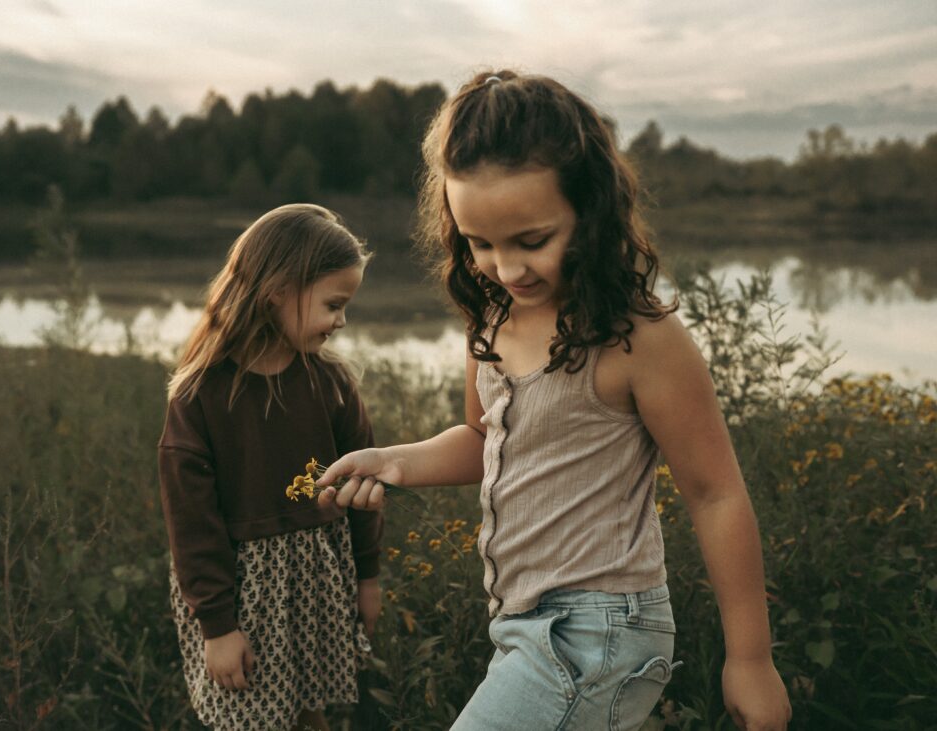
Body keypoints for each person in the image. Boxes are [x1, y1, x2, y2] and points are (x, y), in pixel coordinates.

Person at [317, 71, 792, 731]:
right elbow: (485, 440)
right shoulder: (489, 317)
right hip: (525, 627)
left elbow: (716, 493)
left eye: (531, 241)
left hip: (597, 633)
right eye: (480, 243)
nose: (506, 267)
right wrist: (392, 460)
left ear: (590, 210)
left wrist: (751, 659)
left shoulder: (638, 336)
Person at [159, 203, 383, 731]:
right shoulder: (201, 394)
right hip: (241, 597)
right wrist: (217, 628)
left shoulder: (332, 384)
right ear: (280, 289)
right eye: (333, 304)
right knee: (248, 718)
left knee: (311, 714)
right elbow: (191, 524)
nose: (342, 320)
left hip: (318, 582)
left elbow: (363, 484)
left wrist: (368, 577)